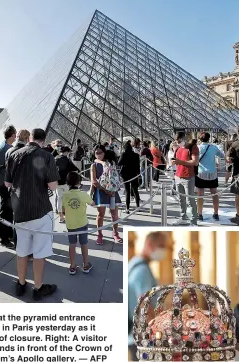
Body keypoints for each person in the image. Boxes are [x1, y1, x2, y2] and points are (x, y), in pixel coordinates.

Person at [5, 128, 59, 301]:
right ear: (43, 140)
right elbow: (53, 186)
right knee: (39, 252)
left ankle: (21, 284)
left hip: (20, 210)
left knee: (22, 250)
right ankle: (38, 287)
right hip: (41, 209)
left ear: (30, 138)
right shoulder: (46, 156)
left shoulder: (13, 154)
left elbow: (7, 182)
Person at [128, 232, 168, 362]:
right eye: (161, 245)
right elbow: (146, 306)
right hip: (143, 335)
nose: (163, 250)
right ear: (150, 244)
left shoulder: (135, 263)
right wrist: (157, 336)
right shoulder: (142, 270)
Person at [62, 172, 94, 275]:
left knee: (72, 245)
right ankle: (85, 265)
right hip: (82, 223)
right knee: (84, 244)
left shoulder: (65, 195)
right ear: (79, 182)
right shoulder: (83, 194)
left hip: (70, 225)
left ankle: (72, 266)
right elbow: (93, 204)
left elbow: (63, 209)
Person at [90, 144, 122, 245]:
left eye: (101, 152)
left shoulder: (110, 163)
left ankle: (115, 233)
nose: (99, 155)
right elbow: (94, 181)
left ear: (104, 152)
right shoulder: (93, 165)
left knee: (114, 214)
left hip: (112, 191)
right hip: (101, 192)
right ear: (94, 153)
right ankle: (99, 234)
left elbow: (115, 177)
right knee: (101, 214)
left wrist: (112, 189)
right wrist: (105, 189)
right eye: (96, 153)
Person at [195, 132, 225, 221]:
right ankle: (216, 213)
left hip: (201, 173)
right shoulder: (213, 147)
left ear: (200, 139)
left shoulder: (198, 148)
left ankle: (199, 214)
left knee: (200, 195)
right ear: (209, 138)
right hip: (212, 173)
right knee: (214, 194)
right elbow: (222, 155)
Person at [172, 134, 199, 226]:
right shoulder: (178, 148)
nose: (177, 142)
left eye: (178, 140)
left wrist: (180, 162)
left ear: (184, 138)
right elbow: (177, 160)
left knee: (190, 200)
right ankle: (183, 217)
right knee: (181, 199)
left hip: (188, 177)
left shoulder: (193, 147)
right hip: (178, 176)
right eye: (175, 140)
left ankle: (193, 221)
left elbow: (195, 162)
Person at [55, 146, 79, 223]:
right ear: (66, 152)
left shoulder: (55, 159)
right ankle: (67, 215)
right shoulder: (67, 160)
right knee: (67, 199)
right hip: (66, 183)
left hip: (57, 183)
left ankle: (61, 217)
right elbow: (75, 169)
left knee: (59, 199)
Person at [118, 142, 141, 213]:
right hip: (134, 174)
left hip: (125, 174)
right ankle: (138, 206)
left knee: (127, 191)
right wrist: (139, 174)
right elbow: (138, 166)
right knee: (135, 190)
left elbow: (119, 163)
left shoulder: (123, 154)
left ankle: (127, 208)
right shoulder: (136, 155)